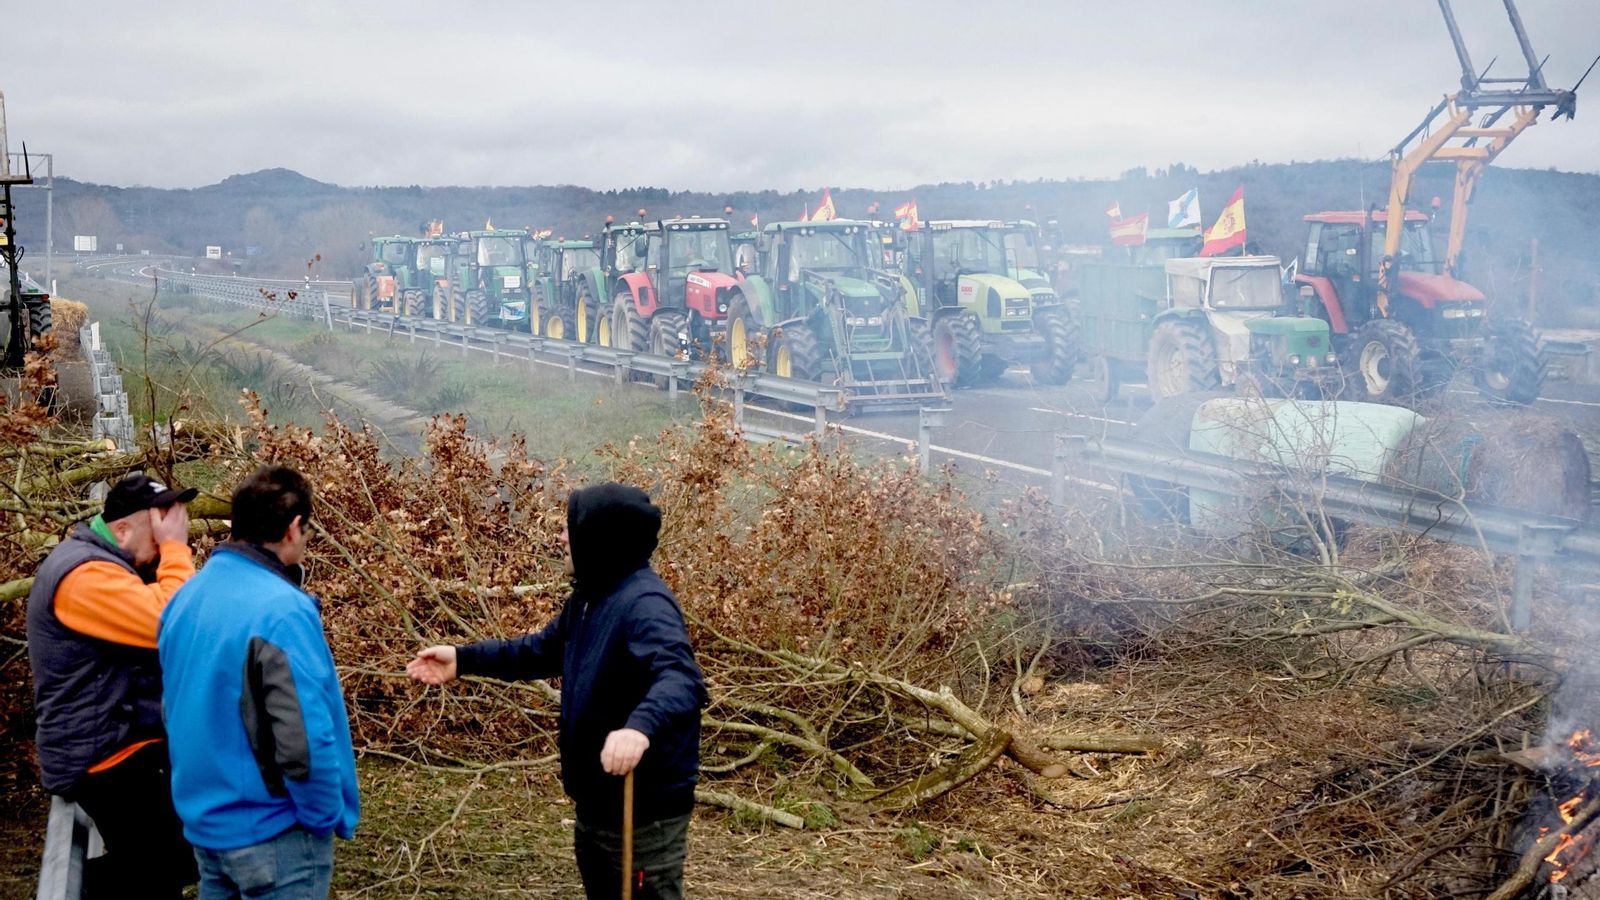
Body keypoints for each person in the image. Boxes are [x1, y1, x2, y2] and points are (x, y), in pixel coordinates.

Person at [407, 483, 708, 900]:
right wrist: (463, 659)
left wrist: (638, 728)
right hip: (598, 806)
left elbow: (680, 677)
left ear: (600, 536)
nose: (561, 537)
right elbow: (541, 650)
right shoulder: (593, 594)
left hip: (642, 815)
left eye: (571, 527)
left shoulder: (646, 603)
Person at [159, 465, 359, 900]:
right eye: (308, 531)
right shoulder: (282, 611)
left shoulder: (184, 599)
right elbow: (302, 740)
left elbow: (172, 709)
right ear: (292, 529)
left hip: (207, 828)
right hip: (274, 834)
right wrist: (322, 818)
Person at [26, 472, 200, 899]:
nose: (165, 539)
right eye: (156, 528)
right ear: (121, 530)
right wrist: (176, 550)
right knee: (162, 863)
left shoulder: (115, 565)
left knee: (191, 843)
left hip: (125, 741)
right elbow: (173, 624)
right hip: (98, 755)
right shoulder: (83, 575)